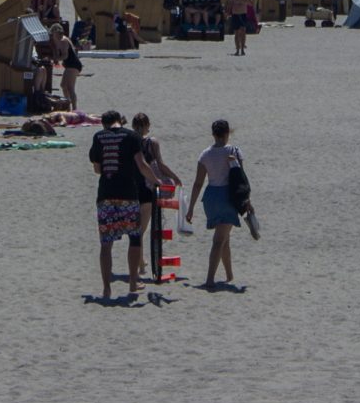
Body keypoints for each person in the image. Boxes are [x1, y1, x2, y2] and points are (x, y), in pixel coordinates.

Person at [90, 109, 156, 299]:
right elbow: (141, 164)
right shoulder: (132, 136)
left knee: (106, 243)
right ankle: (133, 283)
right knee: (134, 238)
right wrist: (155, 181)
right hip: (128, 193)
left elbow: (97, 168)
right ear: (120, 121)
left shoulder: (98, 137)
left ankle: (106, 288)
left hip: (106, 194)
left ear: (105, 124)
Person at [184, 118, 244, 289]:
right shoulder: (234, 151)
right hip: (227, 196)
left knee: (224, 237)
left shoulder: (205, 154)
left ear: (213, 134)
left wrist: (191, 208)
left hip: (210, 197)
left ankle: (229, 274)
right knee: (219, 239)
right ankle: (210, 279)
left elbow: (197, 183)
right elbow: (241, 178)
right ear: (227, 133)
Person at [130, 111, 183, 283]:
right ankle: (140, 264)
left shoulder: (130, 140)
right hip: (148, 187)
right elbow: (160, 163)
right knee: (142, 229)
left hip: (132, 186)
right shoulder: (151, 142)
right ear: (147, 125)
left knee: (138, 228)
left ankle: (142, 262)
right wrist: (175, 177)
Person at [48, 21, 82, 111]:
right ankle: (68, 106)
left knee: (70, 87)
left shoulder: (63, 40)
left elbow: (65, 55)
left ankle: (74, 109)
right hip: (69, 65)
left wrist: (55, 59)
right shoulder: (59, 40)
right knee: (63, 85)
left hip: (73, 64)